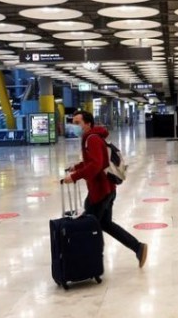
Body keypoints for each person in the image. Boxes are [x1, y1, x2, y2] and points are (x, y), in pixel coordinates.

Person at [62, 110, 148, 268]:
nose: (74, 126)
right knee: (105, 224)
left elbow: (96, 165)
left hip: (99, 192)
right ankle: (138, 247)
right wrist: (77, 167)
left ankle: (92, 264)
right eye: (73, 123)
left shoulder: (92, 139)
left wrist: (75, 177)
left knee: (88, 227)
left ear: (88, 124)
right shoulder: (94, 137)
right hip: (107, 189)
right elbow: (94, 161)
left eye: (77, 123)